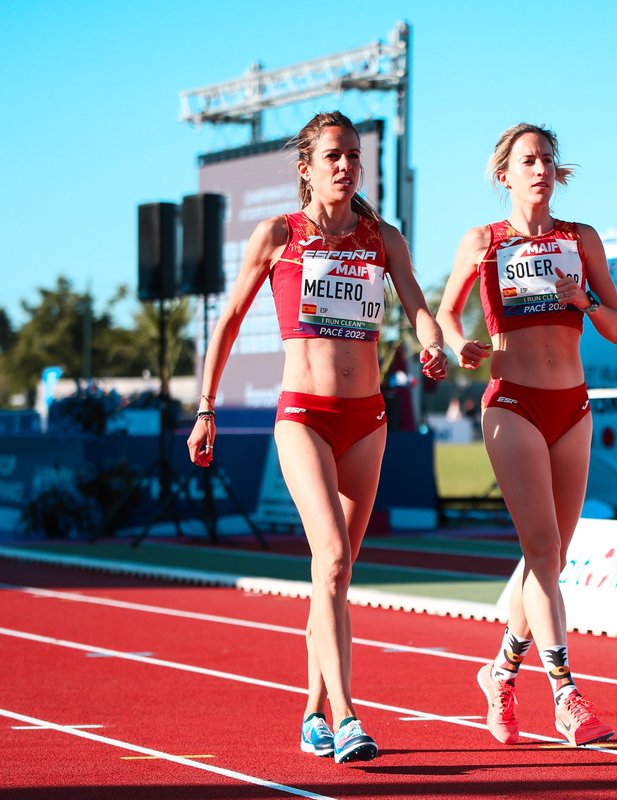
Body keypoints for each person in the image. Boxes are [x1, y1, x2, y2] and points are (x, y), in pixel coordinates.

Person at [186, 112, 447, 764]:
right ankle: (350, 716)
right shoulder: (279, 234)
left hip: (367, 421)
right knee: (330, 559)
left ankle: (311, 713)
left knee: (335, 574)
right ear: (306, 167)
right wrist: (206, 407)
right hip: (302, 415)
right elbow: (228, 324)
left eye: (354, 156)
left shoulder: (382, 237)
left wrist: (433, 342)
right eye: (333, 155)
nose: (346, 166)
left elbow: (417, 303)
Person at [437, 123, 617, 747]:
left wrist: (585, 299)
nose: (540, 168)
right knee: (543, 551)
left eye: (547, 158)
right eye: (527, 160)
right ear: (505, 175)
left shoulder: (582, 239)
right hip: (511, 403)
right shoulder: (483, 241)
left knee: (550, 558)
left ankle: (499, 674)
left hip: (572, 406)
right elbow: (445, 310)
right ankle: (566, 693)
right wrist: (458, 341)